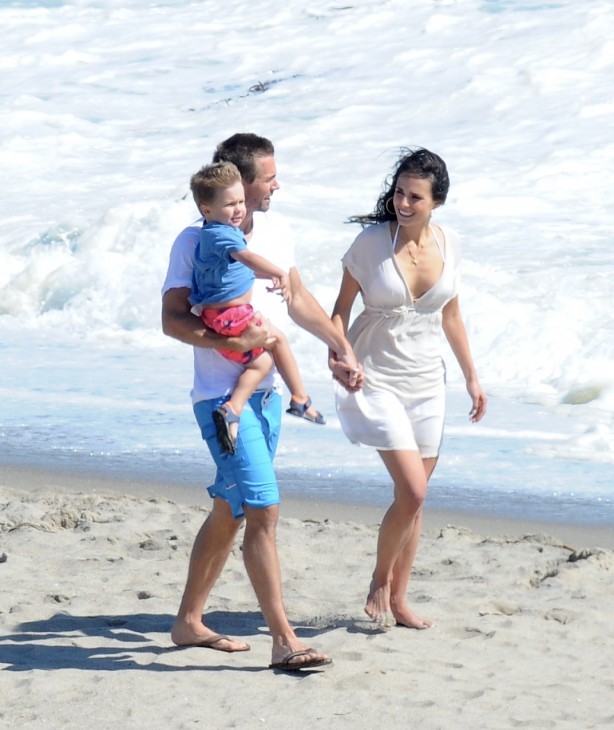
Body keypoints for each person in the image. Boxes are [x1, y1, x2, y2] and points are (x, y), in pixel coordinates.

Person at [161, 132, 361, 671]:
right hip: (219, 400)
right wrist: (228, 343)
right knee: (262, 508)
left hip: (266, 397)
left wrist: (339, 346)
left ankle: (188, 622)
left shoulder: (276, 230)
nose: (277, 184)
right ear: (240, 184)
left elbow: (296, 300)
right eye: (268, 177)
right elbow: (172, 320)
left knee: (230, 510)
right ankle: (284, 640)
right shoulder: (194, 240)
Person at [331, 147, 487, 630]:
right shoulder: (370, 243)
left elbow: (452, 315)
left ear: (436, 200)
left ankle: (399, 601)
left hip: (426, 380)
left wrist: (471, 376)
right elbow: (338, 311)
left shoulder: (449, 243)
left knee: (414, 498)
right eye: (398, 192)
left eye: (414, 196)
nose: (402, 202)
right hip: (375, 376)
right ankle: (381, 579)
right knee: (413, 491)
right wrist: (339, 354)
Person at [189, 160, 324, 455]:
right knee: (278, 340)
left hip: (222, 316)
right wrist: (279, 272)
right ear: (206, 210)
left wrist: (272, 274)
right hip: (229, 316)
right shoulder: (220, 233)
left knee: (263, 362)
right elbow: (247, 258)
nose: (238, 209)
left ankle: (232, 412)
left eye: (240, 201)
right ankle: (300, 399)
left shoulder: (216, 232)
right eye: (229, 205)